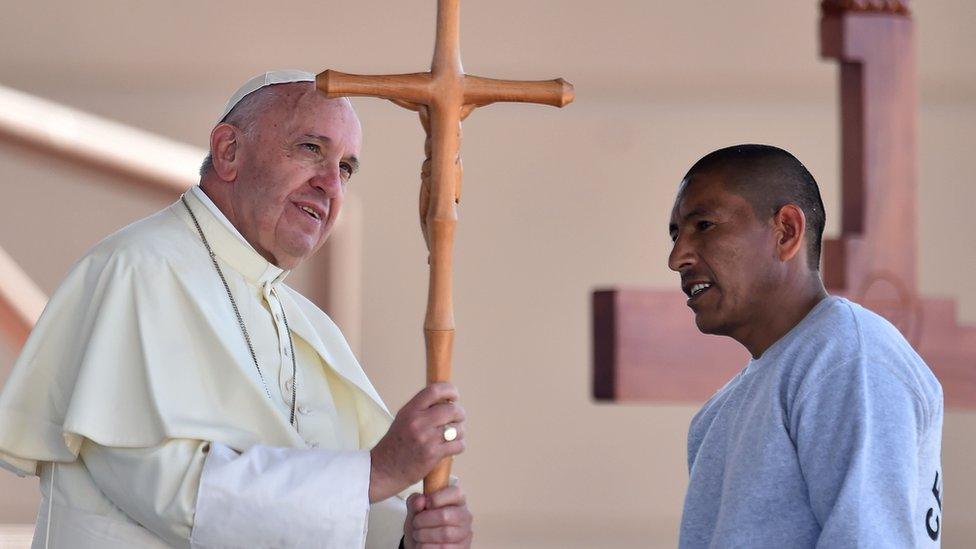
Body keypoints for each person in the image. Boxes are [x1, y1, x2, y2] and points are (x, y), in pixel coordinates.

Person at [0, 70, 473, 549]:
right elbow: (173, 493)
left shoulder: (310, 328)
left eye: (346, 168)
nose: (330, 184)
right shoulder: (138, 270)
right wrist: (375, 473)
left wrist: (408, 533)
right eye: (311, 148)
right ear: (229, 152)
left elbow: (334, 515)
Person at [668, 144, 943, 547]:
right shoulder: (719, 412)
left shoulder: (848, 357)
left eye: (704, 225)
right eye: (675, 235)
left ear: (786, 231)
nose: (677, 257)